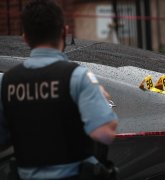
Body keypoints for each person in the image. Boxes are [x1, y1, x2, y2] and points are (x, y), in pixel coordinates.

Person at [0, 0, 119, 179]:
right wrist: (100, 96)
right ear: (64, 31)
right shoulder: (78, 77)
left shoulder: (7, 82)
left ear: (25, 38)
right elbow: (105, 133)